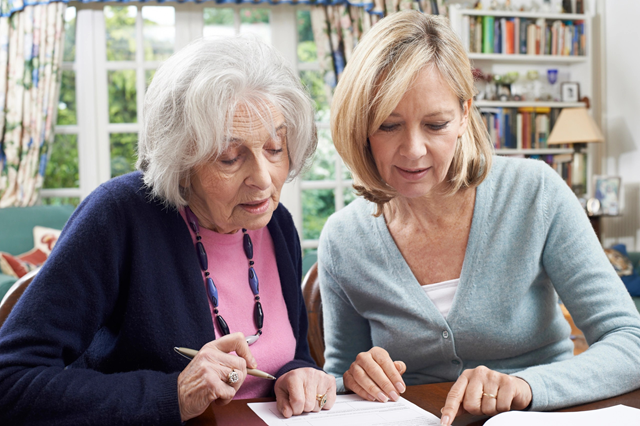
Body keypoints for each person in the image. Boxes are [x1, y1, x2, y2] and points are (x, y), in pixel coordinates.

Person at [319, 10, 640, 426]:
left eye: (435, 124)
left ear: (464, 114)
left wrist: (527, 386)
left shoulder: (534, 192)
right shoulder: (344, 238)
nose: (413, 150)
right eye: (388, 125)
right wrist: (356, 376)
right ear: (361, 126)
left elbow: (629, 341)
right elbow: (339, 377)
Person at [0, 36, 336, 425]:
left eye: (275, 148)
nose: (263, 179)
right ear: (181, 159)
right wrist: (173, 394)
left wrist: (298, 373)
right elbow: (11, 381)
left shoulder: (273, 221)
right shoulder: (119, 216)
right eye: (230, 157)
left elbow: (290, 353)